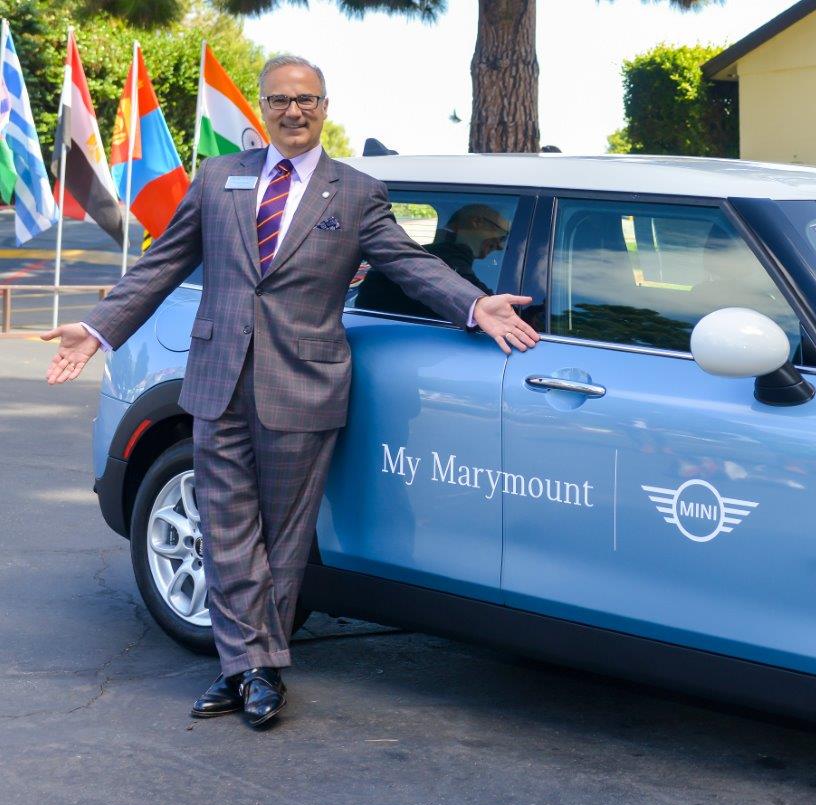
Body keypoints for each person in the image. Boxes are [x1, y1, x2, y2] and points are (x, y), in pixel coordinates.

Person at [41, 55, 540, 728]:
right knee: (225, 531)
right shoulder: (219, 179)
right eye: (280, 100)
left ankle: (252, 669)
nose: (294, 111)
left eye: (306, 100)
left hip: (303, 387)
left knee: (283, 537)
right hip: (219, 382)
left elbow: (408, 262)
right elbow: (161, 264)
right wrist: (100, 329)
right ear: (264, 107)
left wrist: (475, 307)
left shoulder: (356, 192)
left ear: (324, 107)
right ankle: (249, 668)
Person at [355, 203, 509, 316]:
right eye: (502, 236)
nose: (501, 246)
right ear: (477, 222)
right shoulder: (448, 258)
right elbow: (472, 295)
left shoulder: (434, 253)